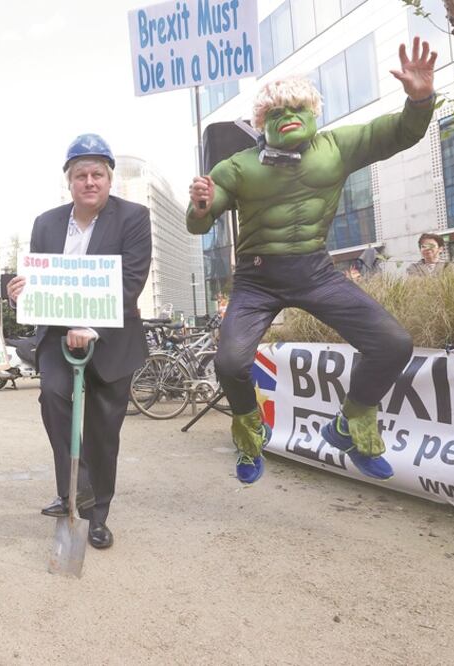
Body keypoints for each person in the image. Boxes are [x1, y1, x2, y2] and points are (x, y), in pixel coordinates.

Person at [187, 38, 438, 484]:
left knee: (393, 343)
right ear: (261, 122)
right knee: (229, 363)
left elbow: (400, 132)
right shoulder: (238, 166)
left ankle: (350, 425)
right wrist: (202, 204)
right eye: (276, 112)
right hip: (257, 279)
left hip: (315, 271)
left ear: (313, 112)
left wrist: (419, 99)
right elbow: (199, 222)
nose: (287, 117)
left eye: (296, 108)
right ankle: (251, 434)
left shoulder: (336, 147)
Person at [6, 134, 151, 550]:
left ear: (110, 179)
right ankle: (76, 490)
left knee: (103, 432)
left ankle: (97, 515)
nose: (90, 182)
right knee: (53, 397)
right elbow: (40, 281)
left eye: (97, 175)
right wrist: (20, 294)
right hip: (58, 335)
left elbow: (131, 280)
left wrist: (93, 326)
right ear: (69, 181)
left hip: (112, 338)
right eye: (81, 175)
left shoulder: (133, 218)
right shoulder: (46, 223)